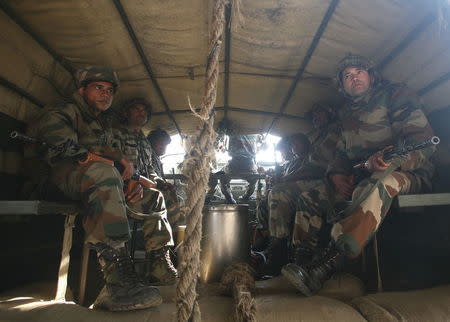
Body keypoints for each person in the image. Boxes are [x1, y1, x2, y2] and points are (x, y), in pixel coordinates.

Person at [282, 53, 436, 296]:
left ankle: (329, 264)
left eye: (359, 72)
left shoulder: (395, 95)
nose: (354, 78)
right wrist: (336, 176)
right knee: (309, 198)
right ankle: (302, 261)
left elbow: (423, 142)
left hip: (409, 172)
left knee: (377, 185)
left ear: (371, 76)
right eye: (347, 76)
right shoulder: (346, 115)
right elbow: (341, 156)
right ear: (342, 85)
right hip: (362, 175)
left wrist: (389, 159)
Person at [32, 66, 162, 311]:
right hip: (57, 179)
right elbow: (57, 149)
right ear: (82, 90)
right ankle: (116, 283)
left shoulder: (98, 122)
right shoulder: (63, 111)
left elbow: (106, 154)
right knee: (105, 174)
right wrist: (112, 164)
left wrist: (130, 179)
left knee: (144, 193)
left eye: (109, 90)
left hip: (88, 180)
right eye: (98, 88)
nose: (105, 94)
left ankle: (153, 264)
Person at [258, 106, 341, 277]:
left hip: (328, 181)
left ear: (330, 114)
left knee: (280, 192)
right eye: (313, 116)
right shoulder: (317, 138)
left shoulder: (333, 132)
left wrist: (285, 180)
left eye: (320, 113)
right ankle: (276, 250)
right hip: (318, 180)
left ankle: (290, 256)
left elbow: (316, 167)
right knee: (275, 193)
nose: (316, 118)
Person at [115, 99, 177, 286]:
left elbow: (150, 170)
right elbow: (112, 163)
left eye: (144, 111)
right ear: (126, 113)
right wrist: (135, 182)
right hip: (121, 191)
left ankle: (166, 255)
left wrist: (160, 182)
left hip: (141, 187)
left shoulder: (143, 141)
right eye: (136, 109)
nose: (141, 114)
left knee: (174, 199)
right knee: (155, 199)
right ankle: (158, 266)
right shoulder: (117, 133)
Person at [147, 128, 186, 228]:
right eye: (160, 144)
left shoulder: (157, 158)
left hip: (159, 189)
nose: (163, 147)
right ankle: (172, 230)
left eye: (165, 145)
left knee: (180, 200)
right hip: (150, 191)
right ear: (151, 143)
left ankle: (178, 231)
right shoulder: (149, 156)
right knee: (174, 204)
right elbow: (152, 179)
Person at [207, 135, 260, 204]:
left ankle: (230, 199)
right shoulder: (255, 133)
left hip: (234, 165)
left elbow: (218, 143)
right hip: (250, 165)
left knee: (222, 177)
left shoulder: (232, 129)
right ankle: (246, 197)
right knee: (254, 179)